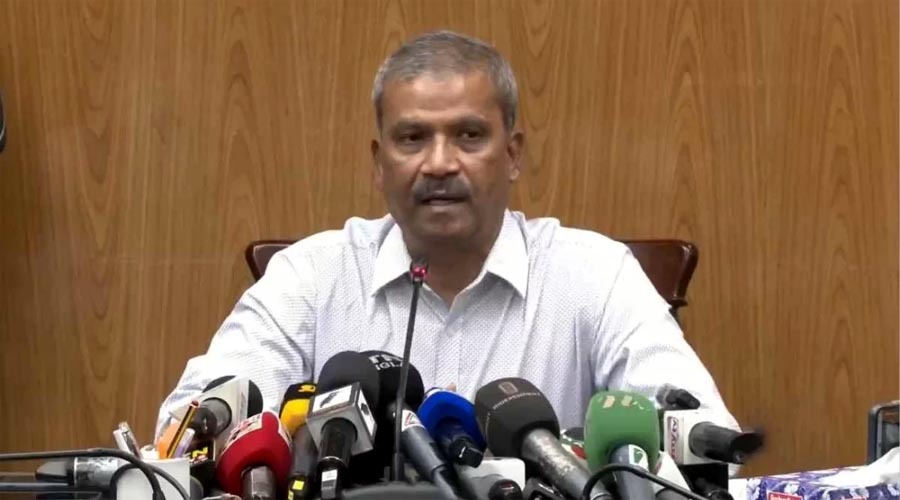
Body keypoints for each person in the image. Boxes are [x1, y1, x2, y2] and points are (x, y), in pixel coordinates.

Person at [156, 30, 738, 436]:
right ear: (379, 163)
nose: (438, 163)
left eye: (468, 136)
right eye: (412, 138)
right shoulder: (310, 278)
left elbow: (703, 435)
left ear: (513, 155)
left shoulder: (594, 276)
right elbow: (184, 432)